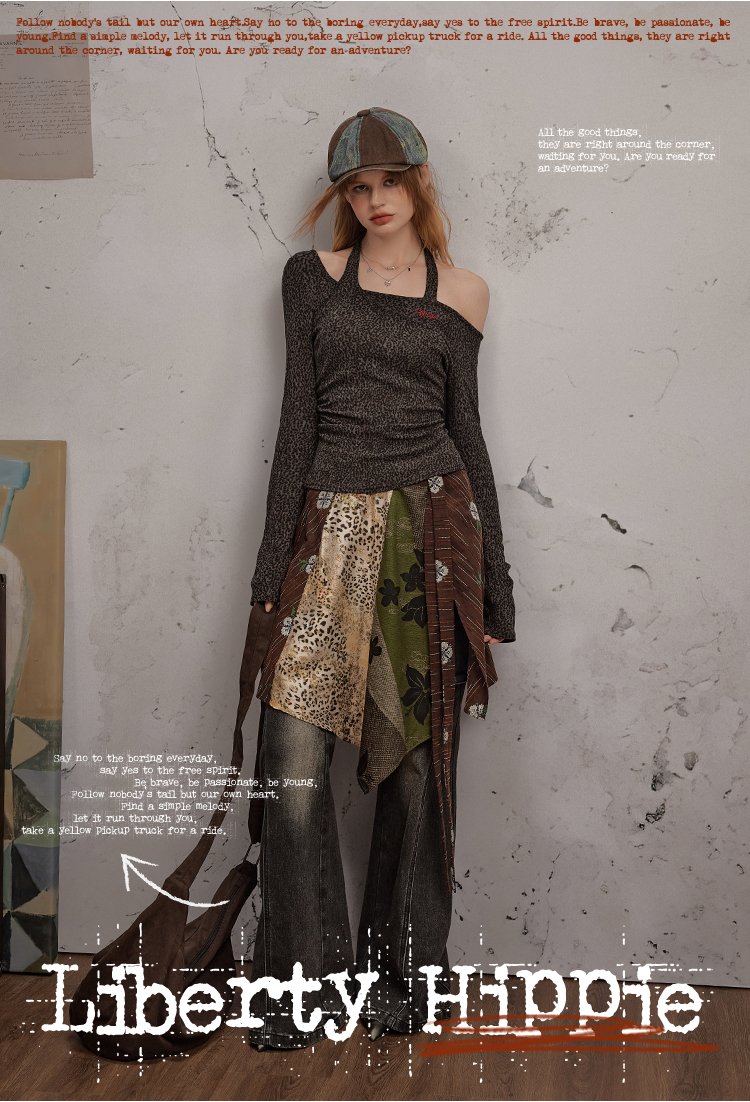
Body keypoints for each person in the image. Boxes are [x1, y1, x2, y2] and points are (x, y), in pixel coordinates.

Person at [247, 107, 515, 1050]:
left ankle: (401, 982)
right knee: (292, 768)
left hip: (431, 535)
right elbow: (296, 424)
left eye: (390, 182)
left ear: (419, 181)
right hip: (327, 536)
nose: (375, 201)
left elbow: (469, 436)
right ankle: (302, 987)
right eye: (358, 188)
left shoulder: (463, 292)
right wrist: (271, 570)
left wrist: (496, 587)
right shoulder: (311, 280)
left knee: (415, 776)